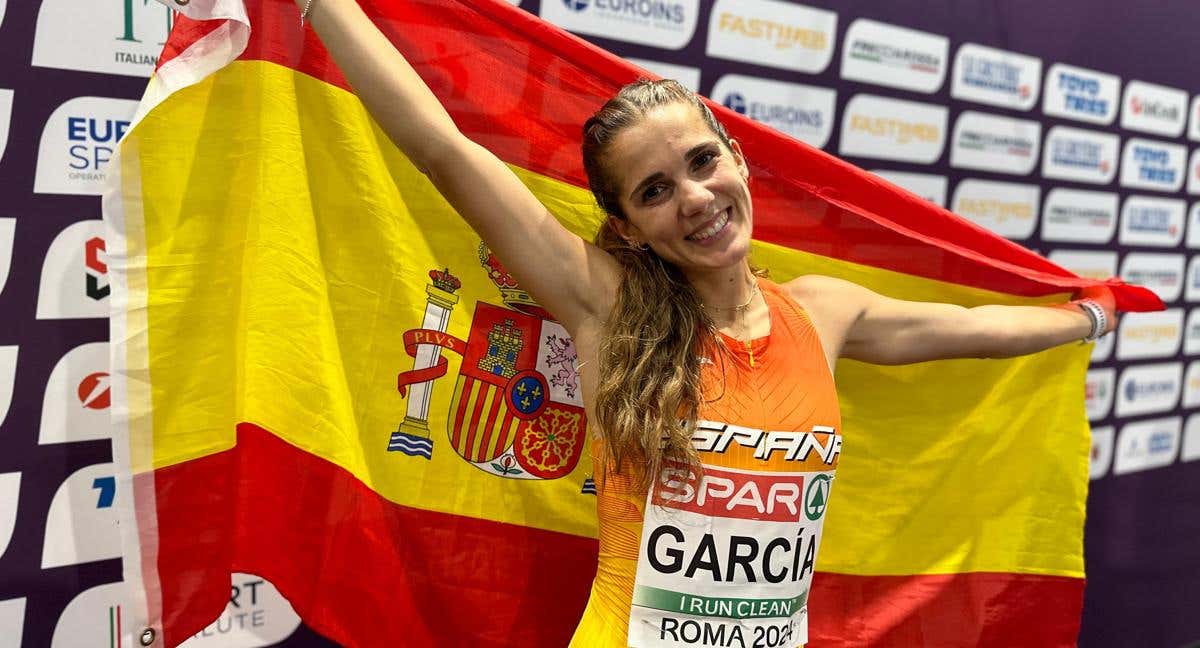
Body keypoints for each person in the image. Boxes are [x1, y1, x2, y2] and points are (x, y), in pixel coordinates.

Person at [294, 0, 1117, 645]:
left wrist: (1086, 318)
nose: (694, 199)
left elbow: (976, 330)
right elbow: (443, 151)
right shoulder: (604, 304)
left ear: (735, 159)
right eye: (654, 191)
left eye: (701, 162)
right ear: (625, 225)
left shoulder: (826, 312)